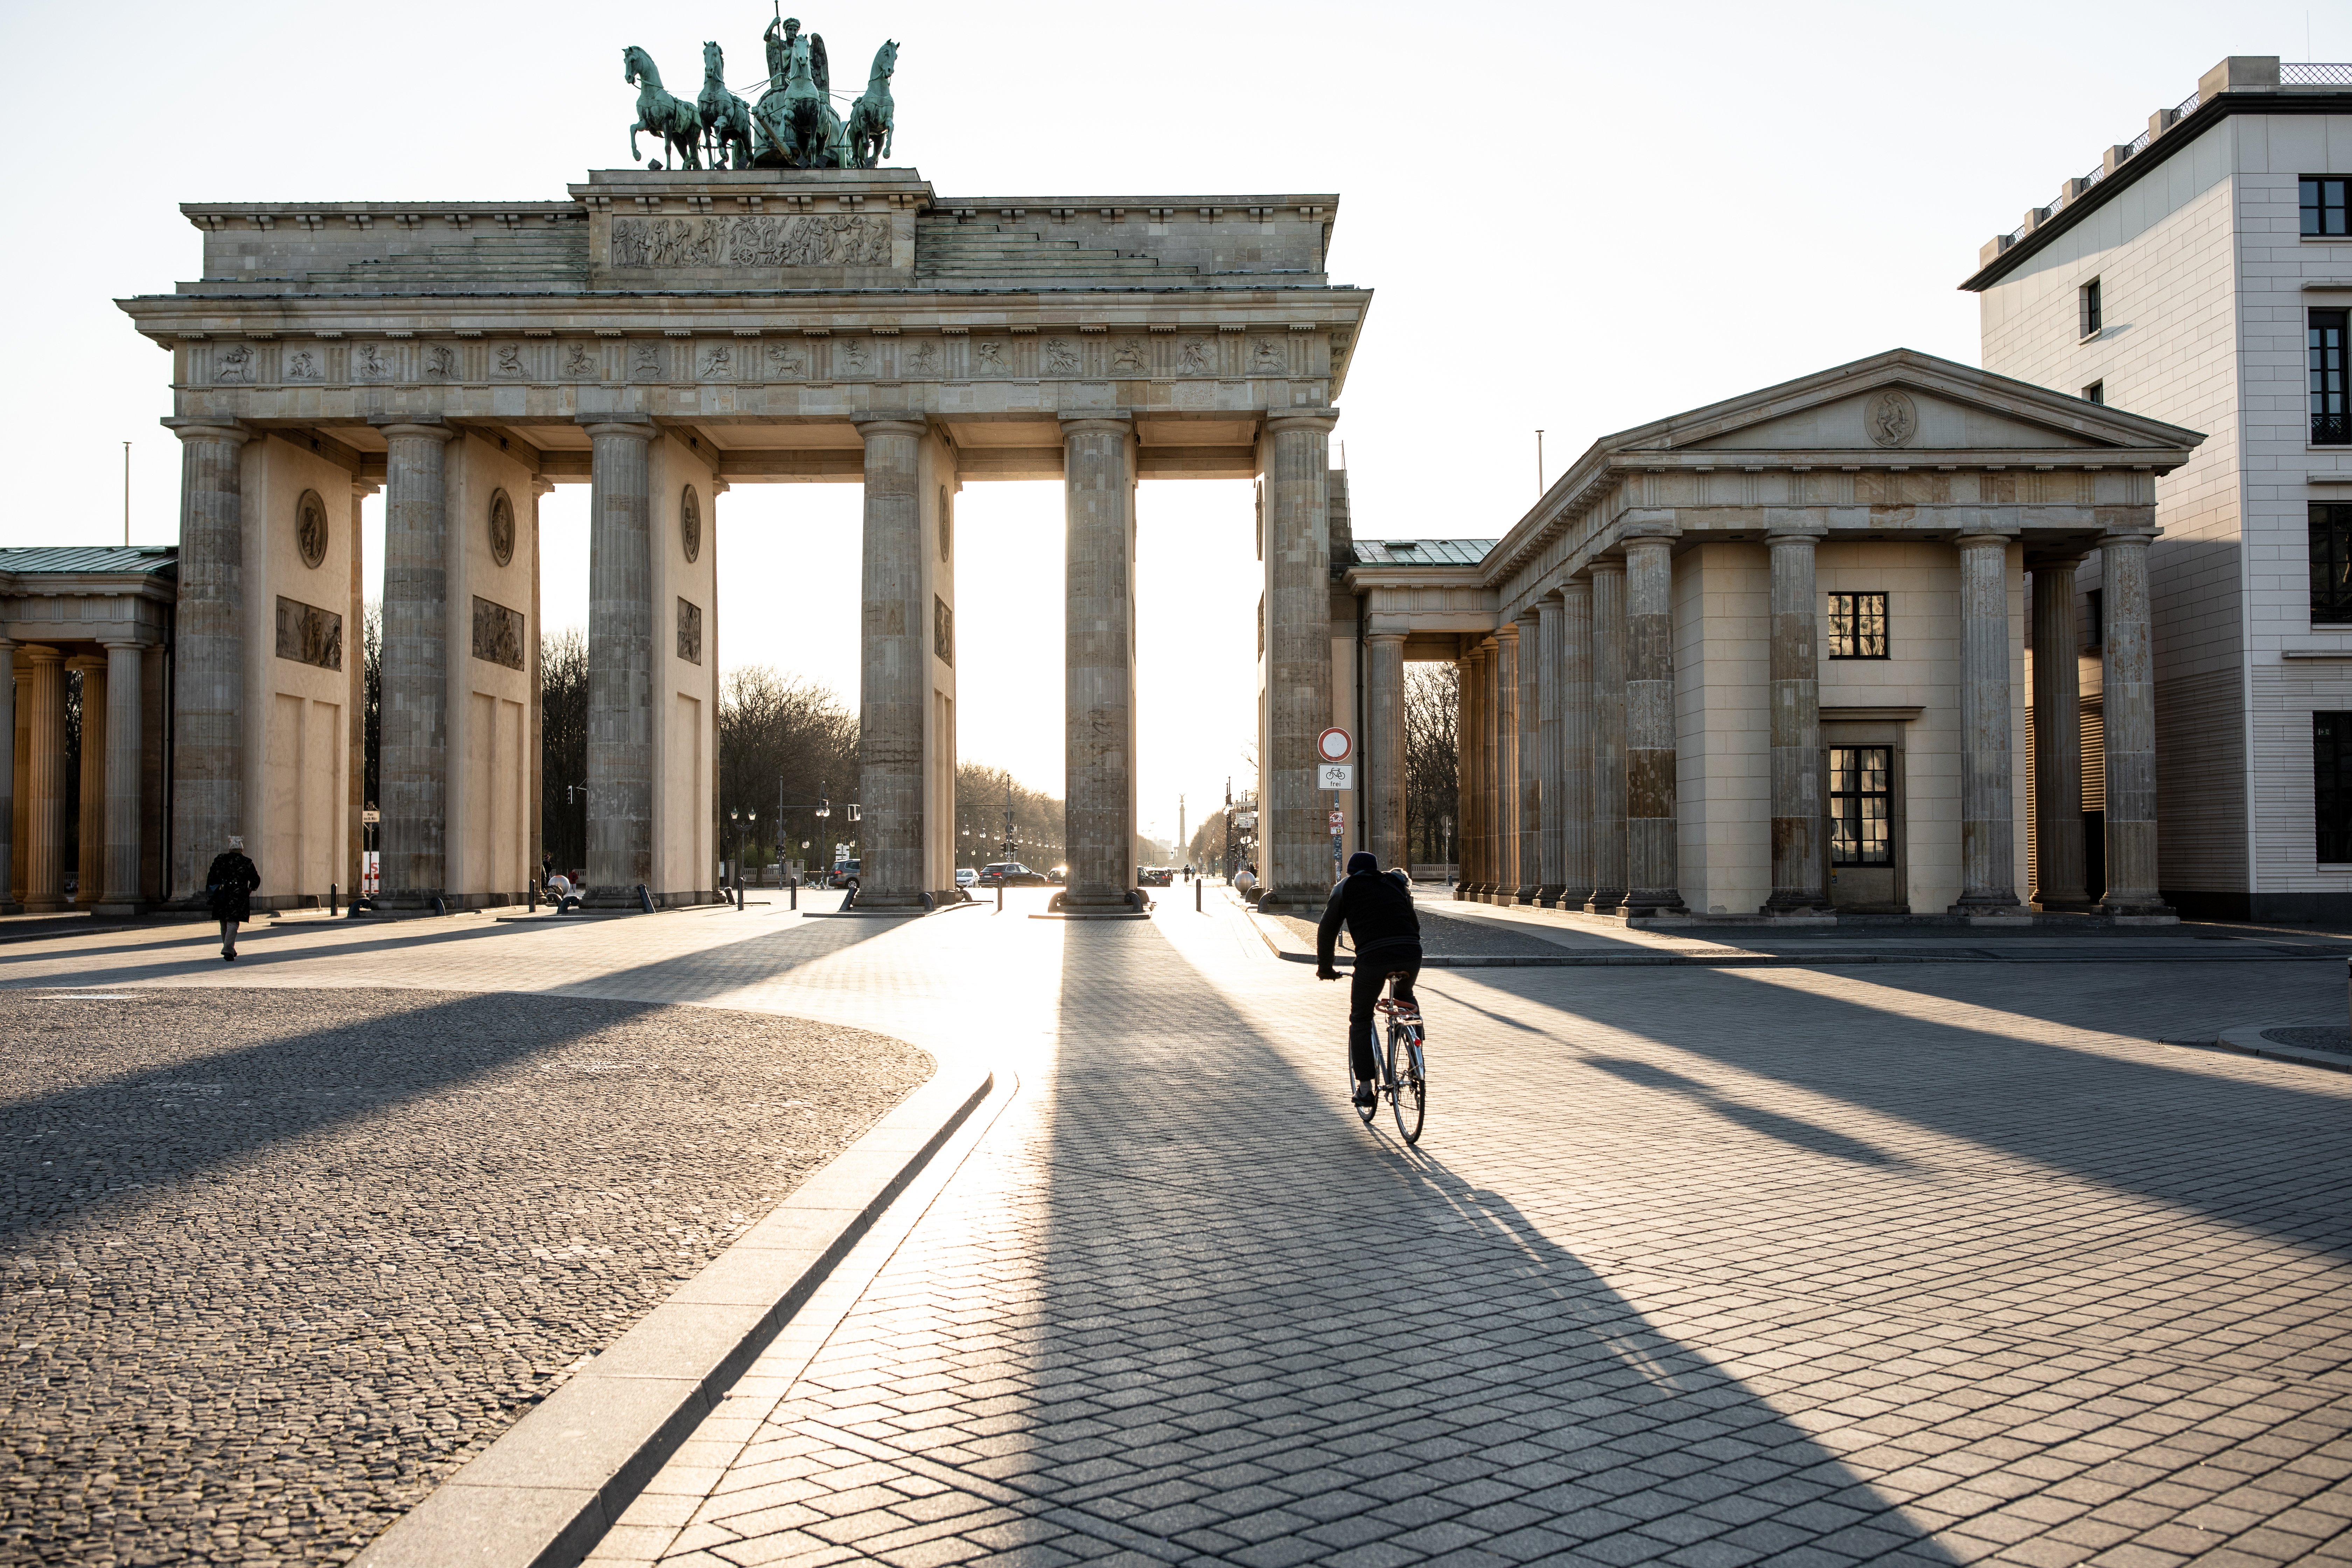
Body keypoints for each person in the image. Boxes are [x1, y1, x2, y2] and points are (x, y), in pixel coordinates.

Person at [1316, 851, 1423, 1109]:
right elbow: (1415, 926)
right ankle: (1416, 1060)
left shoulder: (1345, 888)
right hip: (1410, 952)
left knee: (1361, 1018)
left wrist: (1326, 968)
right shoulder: (1394, 884)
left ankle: (1365, 1089)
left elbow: (1327, 930)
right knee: (1406, 1000)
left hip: (1373, 958)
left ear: (1351, 871)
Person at [205, 836, 262, 962]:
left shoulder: (220, 860)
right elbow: (256, 880)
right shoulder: (246, 862)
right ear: (241, 850)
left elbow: (211, 877)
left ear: (230, 849)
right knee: (233, 923)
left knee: (224, 923)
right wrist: (250, 889)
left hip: (221, 896)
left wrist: (211, 892)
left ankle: (229, 949)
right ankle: (228, 949)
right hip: (238, 897)